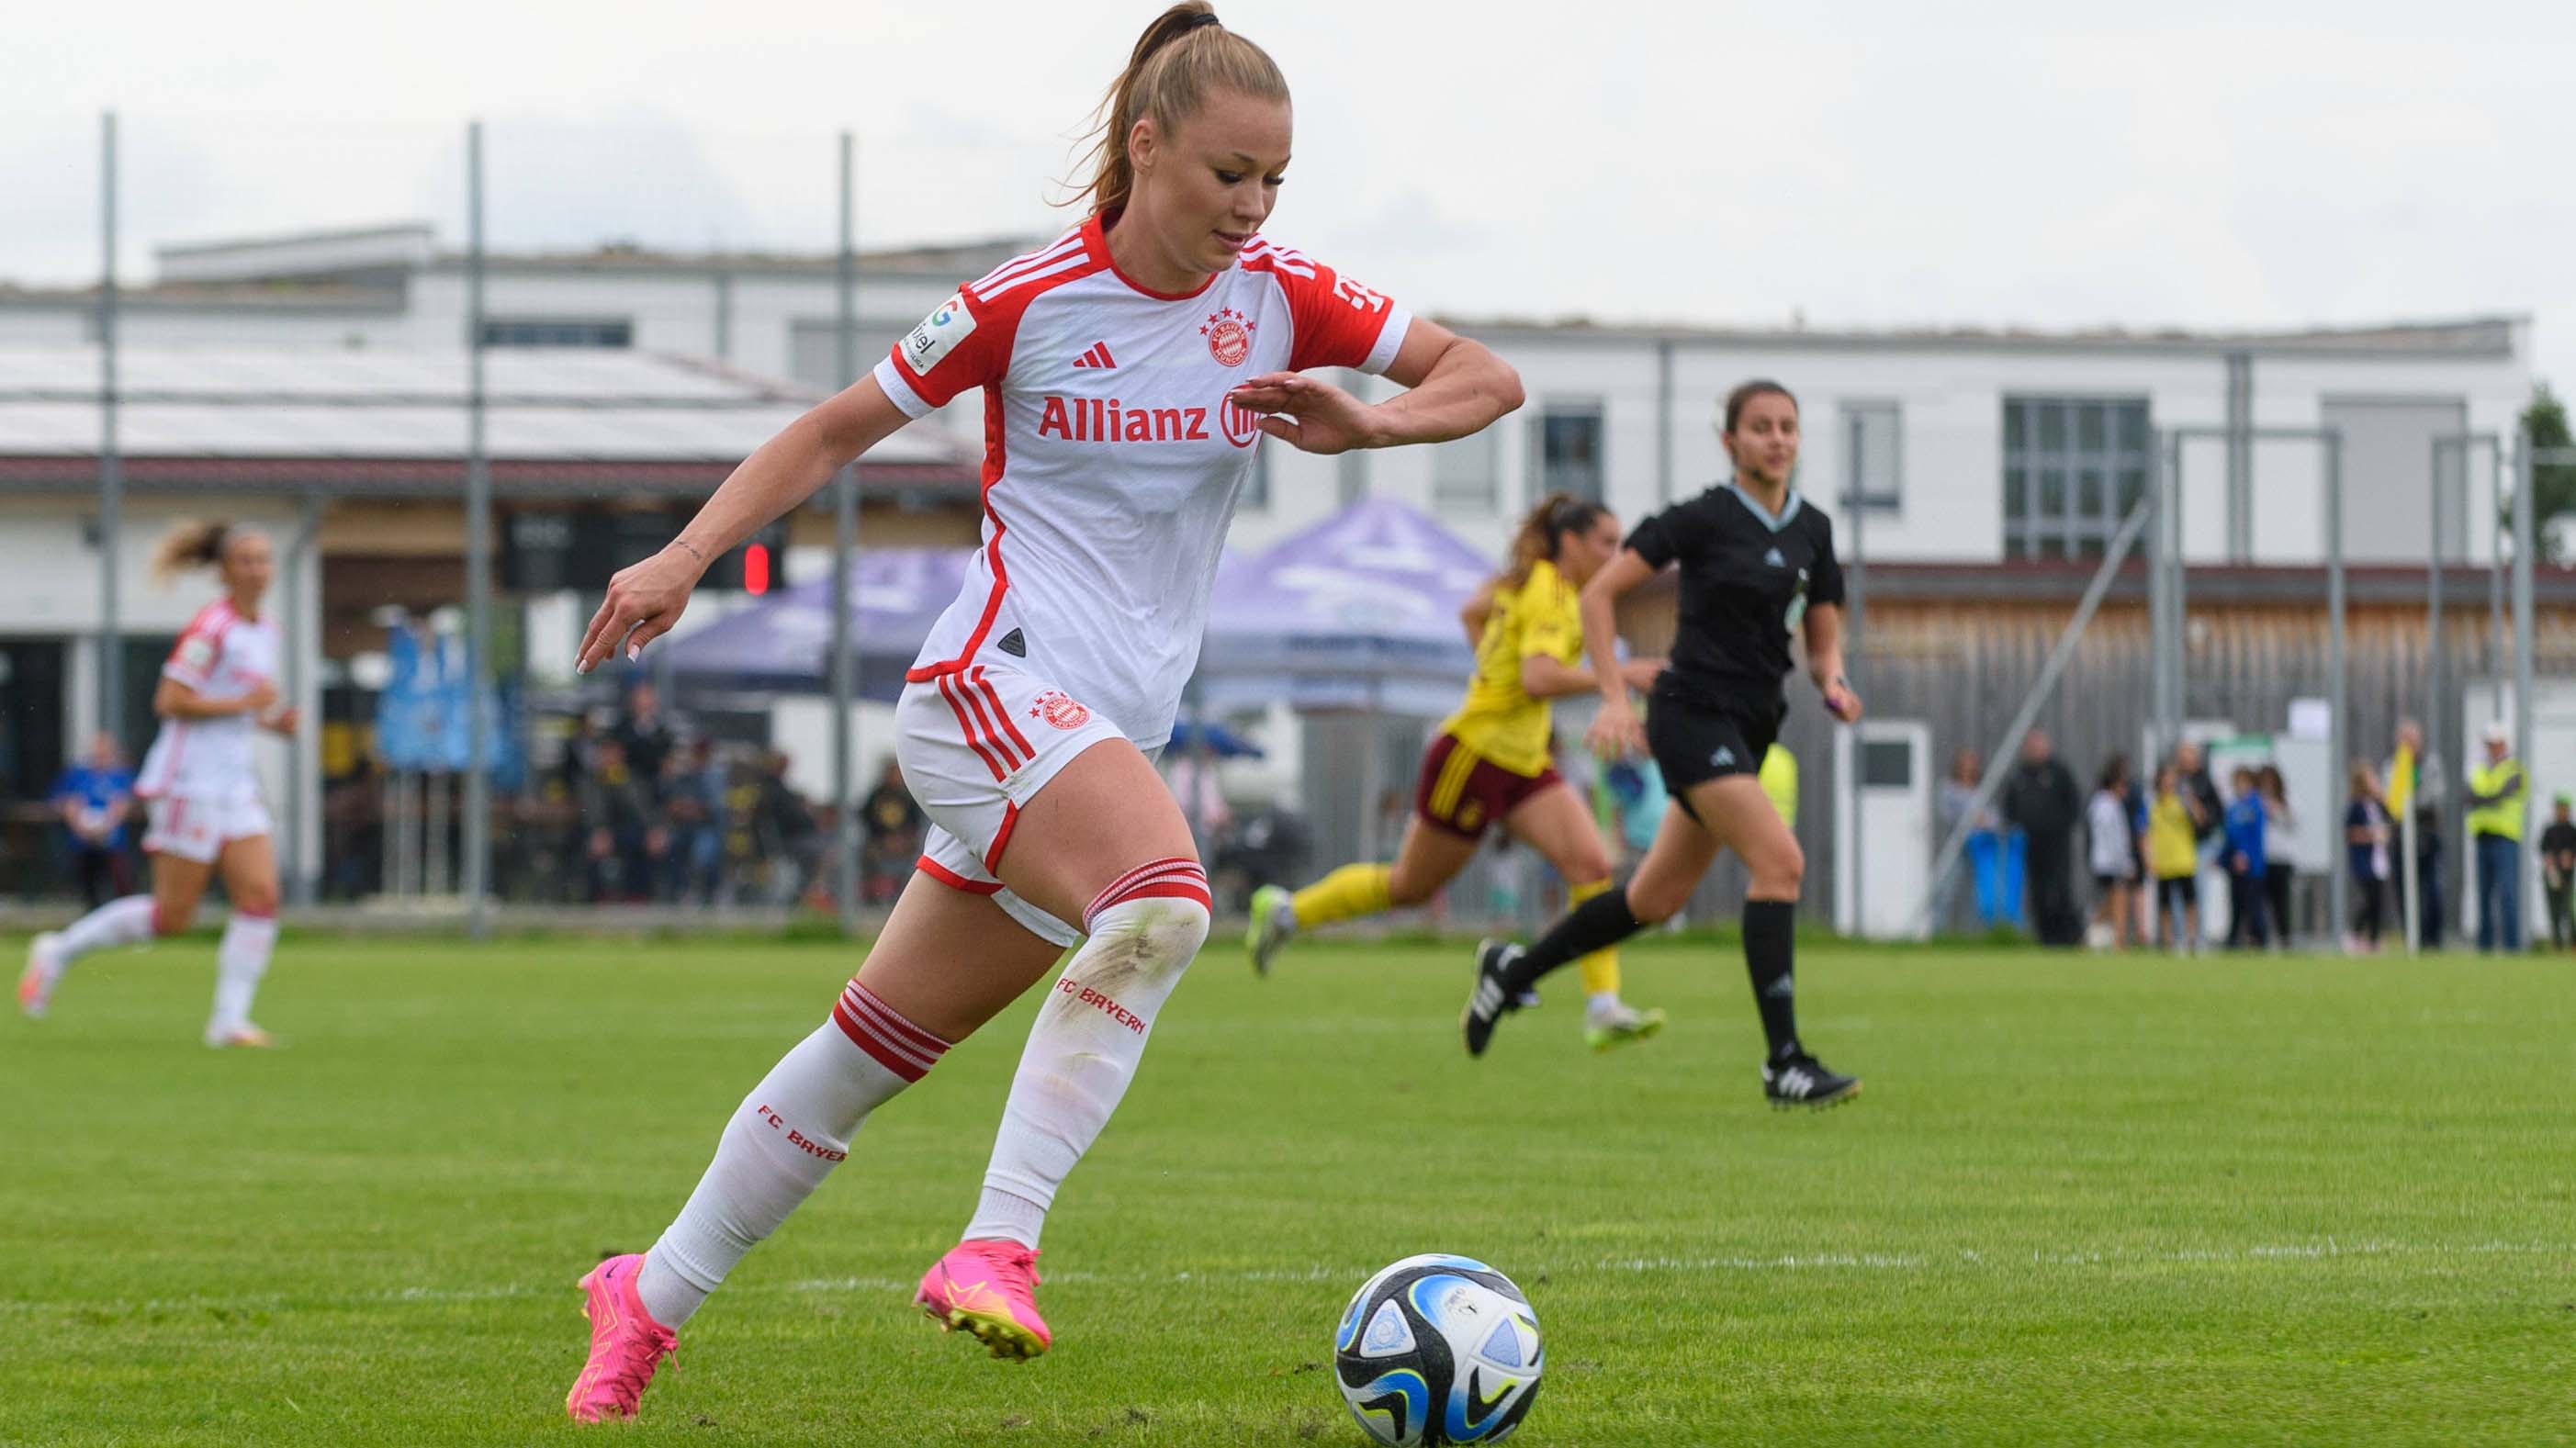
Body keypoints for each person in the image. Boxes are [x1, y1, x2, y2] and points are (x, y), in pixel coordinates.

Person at [558, 6, 1524, 1420]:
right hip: (988, 691)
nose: (1250, 210)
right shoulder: (1030, 297)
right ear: (1146, 148)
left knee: (866, 1055)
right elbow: (834, 429)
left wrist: (1368, 422)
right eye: (1225, 176)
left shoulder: (1281, 293)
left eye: (1274, 182)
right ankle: (997, 1244)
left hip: (1096, 737)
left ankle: (642, 1300)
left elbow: (1485, 380)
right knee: (1166, 902)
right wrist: (683, 557)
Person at [1457, 378, 1863, 1109]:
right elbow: (1597, 594)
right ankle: (1785, 1063)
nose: (1776, 438)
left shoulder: (1815, 529)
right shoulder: (1702, 517)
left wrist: (1834, 684)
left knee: (1651, 897)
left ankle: (1511, 973)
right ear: (1729, 441)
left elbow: (1822, 641)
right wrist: (1615, 695)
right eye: (1761, 426)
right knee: (1780, 862)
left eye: (1787, 427)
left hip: (1752, 725)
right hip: (1688, 714)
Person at [1244, 492, 1667, 1049]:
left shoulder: (1544, 587)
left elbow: (1473, 612)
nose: (1616, 556)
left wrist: (1496, 667)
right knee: (1410, 886)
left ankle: (1603, 1007)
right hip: (1474, 755)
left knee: (1590, 864)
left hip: (1523, 759)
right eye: (1606, 543)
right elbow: (1539, 678)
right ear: (1570, 542)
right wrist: (1619, 674)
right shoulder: (1547, 588)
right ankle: (1285, 911)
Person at [18, 521, 296, 1046]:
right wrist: (245, 705)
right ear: (223, 571)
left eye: (265, 559)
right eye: (247, 560)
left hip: (235, 784)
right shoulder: (210, 628)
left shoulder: (267, 630)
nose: (259, 569)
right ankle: (59, 951)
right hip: (188, 782)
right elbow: (170, 702)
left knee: (261, 897)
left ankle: (227, 1023)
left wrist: (271, 724)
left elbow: (236, 706)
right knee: (172, 917)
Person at [2002, 728, 2084, 946]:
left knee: (2059, 888)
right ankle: (2045, 936)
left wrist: (2063, 826)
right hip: (2031, 842)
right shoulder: (2020, 775)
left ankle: (2068, 935)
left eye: (2039, 745)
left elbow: (2074, 802)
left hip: (2057, 842)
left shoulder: (2059, 772)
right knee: (2037, 891)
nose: (2035, 750)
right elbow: (2009, 807)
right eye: (2031, 746)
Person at [50, 733, 138, 908]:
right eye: (97, 749)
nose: (100, 754)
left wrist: (108, 824)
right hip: (82, 840)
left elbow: (130, 803)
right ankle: (91, 910)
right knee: (87, 878)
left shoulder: (123, 775)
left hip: (113, 841)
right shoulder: (76, 774)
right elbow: (60, 801)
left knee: (119, 881)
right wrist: (78, 821)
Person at [2466, 724, 2526, 953]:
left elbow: (2497, 796)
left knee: (2507, 892)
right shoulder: (2480, 769)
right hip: (2483, 837)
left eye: (2494, 743)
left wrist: (2483, 797)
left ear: (2503, 743)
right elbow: (2469, 796)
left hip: (2506, 838)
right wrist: (2486, 797)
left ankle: (2512, 945)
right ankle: (2485, 945)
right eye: (2488, 744)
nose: (2491, 748)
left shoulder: (2514, 770)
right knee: (2483, 893)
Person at [2386, 719, 2446, 948]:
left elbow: (2435, 794)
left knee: (2432, 889)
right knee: (2403, 889)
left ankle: (2433, 939)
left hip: (2427, 833)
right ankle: (2413, 937)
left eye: (2411, 739)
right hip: (2401, 835)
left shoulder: (2430, 764)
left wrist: (2416, 804)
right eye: (2404, 739)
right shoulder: (2392, 765)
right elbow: (2390, 797)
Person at [1934, 746, 1998, 934]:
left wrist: (1986, 821)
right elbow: (1946, 814)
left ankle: (1971, 933)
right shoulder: (1948, 788)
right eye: (1964, 763)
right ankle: (1939, 931)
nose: (1968, 767)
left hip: (1979, 846)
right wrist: (1970, 819)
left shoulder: (1982, 789)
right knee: (1947, 890)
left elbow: (1994, 816)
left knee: (1975, 892)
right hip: (1956, 845)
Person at [2146, 761, 2203, 953]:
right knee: (2164, 905)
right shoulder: (2152, 804)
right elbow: (2145, 833)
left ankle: (2191, 939)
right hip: (2163, 861)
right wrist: (2149, 859)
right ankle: (2168, 941)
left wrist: (2192, 800)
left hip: (2184, 859)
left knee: (2190, 902)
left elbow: (2200, 820)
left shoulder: (2182, 801)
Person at [2085, 754, 2135, 949]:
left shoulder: (2106, 804)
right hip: (2110, 861)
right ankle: (2119, 941)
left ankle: (2091, 933)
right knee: (2119, 900)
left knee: (2110, 901)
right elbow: (2112, 837)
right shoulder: (2105, 805)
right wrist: (2124, 861)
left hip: (2108, 860)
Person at [860, 758, 927, 904]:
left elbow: (915, 824)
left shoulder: (909, 796)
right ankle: (874, 895)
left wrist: (902, 840)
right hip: (878, 844)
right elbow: (867, 822)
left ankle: (908, 896)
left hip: (905, 844)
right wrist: (884, 840)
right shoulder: (876, 796)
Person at [2345, 761, 2392, 952]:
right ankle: (2355, 934)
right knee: (2369, 899)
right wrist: (2371, 835)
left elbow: (2391, 819)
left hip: (2378, 859)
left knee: (2378, 901)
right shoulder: (2355, 806)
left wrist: (2382, 798)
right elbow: (2351, 833)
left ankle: (2374, 939)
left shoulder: (2377, 804)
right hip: (2363, 860)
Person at [2222, 766, 2270, 949]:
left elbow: (2255, 835)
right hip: (2234, 864)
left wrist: (2246, 855)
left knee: (2253, 904)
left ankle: (2259, 939)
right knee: (2236, 904)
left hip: (2252, 865)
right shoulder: (2234, 806)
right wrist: (2223, 858)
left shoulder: (2255, 805)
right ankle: (2233, 940)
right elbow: (2230, 835)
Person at [2257, 764, 2296, 948]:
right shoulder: (2255, 802)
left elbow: (2294, 822)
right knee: (2260, 901)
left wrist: (2277, 810)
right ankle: (2260, 938)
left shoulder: (2287, 801)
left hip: (2281, 858)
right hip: (2262, 858)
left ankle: (2284, 937)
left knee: (2281, 902)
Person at [2539, 794, 2576, 950]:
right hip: (2552, 874)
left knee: (2568, 908)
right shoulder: (2549, 830)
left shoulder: (2572, 830)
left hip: (2567, 877)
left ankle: (2573, 942)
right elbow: (2542, 847)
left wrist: (2569, 856)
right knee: (2553, 911)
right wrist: (2548, 858)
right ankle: (2557, 944)